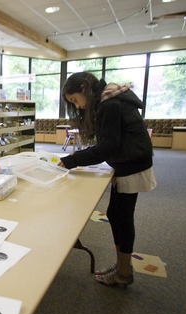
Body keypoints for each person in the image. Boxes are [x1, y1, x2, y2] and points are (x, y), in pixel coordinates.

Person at [58, 72, 156, 287]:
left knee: (122, 217)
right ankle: (123, 265)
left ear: (84, 88)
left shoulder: (108, 104)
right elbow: (109, 142)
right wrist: (79, 156)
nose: (79, 106)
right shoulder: (108, 99)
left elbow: (107, 147)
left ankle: (123, 272)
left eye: (75, 100)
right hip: (130, 161)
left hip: (132, 164)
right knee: (115, 213)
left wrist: (72, 161)